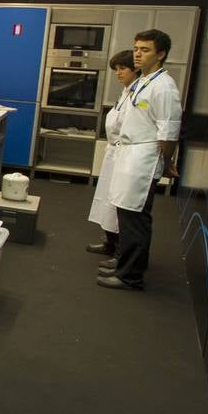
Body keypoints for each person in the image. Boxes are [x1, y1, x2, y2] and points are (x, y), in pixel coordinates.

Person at [98, 30, 182, 291]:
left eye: (144, 49)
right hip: (130, 155)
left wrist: (167, 162)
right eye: (136, 48)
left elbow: (168, 130)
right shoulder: (144, 81)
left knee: (135, 217)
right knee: (125, 213)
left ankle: (131, 276)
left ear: (161, 54)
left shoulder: (164, 87)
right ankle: (123, 261)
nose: (137, 53)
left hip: (143, 159)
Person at [87, 50, 138, 258]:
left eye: (123, 69)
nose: (118, 73)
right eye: (116, 69)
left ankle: (120, 251)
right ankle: (110, 241)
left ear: (135, 69)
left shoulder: (138, 93)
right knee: (107, 199)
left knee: (119, 203)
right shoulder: (126, 91)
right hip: (114, 153)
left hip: (125, 154)